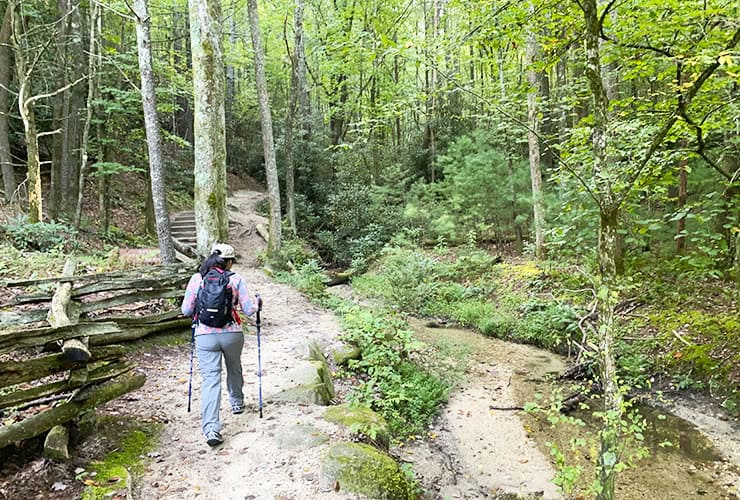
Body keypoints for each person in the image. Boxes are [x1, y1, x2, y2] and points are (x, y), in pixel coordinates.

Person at [181, 243, 257, 446]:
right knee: (234, 367)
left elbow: (186, 310)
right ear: (229, 262)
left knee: (210, 380)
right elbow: (249, 309)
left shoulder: (197, 279)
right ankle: (237, 402)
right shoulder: (236, 279)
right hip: (232, 334)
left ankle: (212, 429)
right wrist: (258, 302)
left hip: (205, 336)